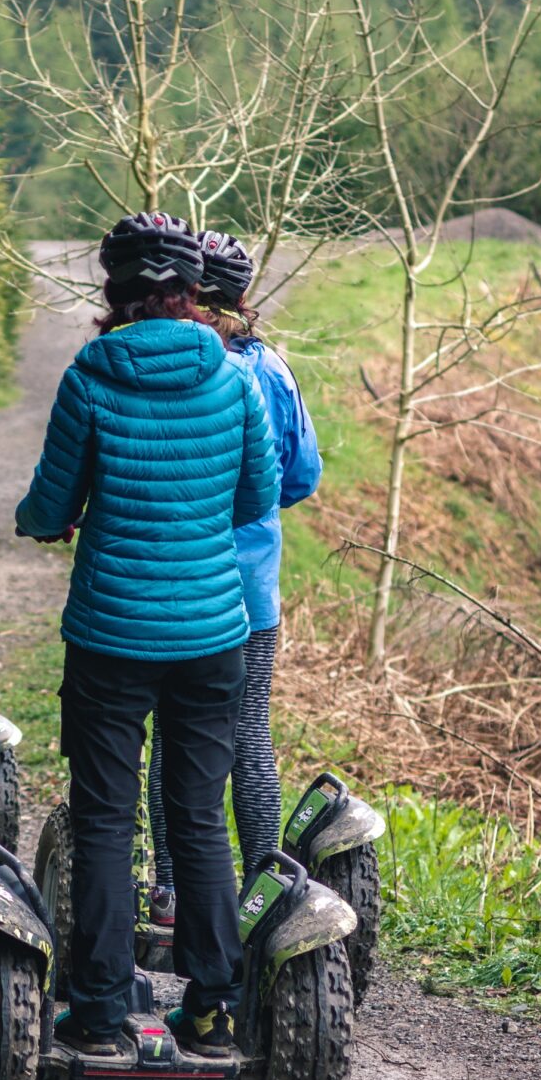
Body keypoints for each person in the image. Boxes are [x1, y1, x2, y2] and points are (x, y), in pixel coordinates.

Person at [14, 212, 278, 1066]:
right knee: (197, 818)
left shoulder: (90, 374)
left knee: (103, 817)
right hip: (212, 636)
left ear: (116, 292)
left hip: (111, 635)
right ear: (194, 293)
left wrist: (52, 522)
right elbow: (255, 498)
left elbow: (51, 505)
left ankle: (96, 1015)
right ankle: (211, 1008)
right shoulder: (235, 380)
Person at [198, 230, 322, 877]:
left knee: (176, 739)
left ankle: (167, 889)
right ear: (245, 295)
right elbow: (302, 475)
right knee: (250, 734)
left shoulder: (191, 367)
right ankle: (260, 885)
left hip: (186, 584)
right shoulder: (272, 369)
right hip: (252, 588)